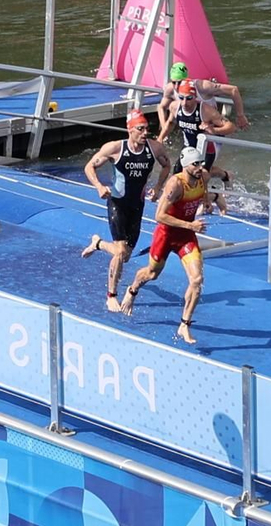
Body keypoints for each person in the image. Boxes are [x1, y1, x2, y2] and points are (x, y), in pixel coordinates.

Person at [119, 146, 232, 343]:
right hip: (166, 235)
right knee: (152, 274)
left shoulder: (203, 176)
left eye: (201, 163)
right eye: (195, 164)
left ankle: (184, 324)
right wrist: (190, 224)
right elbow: (159, 216)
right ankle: (132, 289)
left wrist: (207, 201)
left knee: (197, 280)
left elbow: (203, 190)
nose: (200, 167)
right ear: (186, 165)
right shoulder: (175, 185)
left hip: (186, 237)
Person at [80, 109, 170, 312]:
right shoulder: (114, 148)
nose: (145, 132)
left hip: (137, 206)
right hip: (117, 204)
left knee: (126, 255)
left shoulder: (154, 148)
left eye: (147, 128)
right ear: (129, 129)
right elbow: (89, 167)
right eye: (140, 129)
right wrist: (99, 186)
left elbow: (167, 165)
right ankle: (111, 295)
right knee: (120, 252)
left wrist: (157, 187)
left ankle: (98, 243)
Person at [160, 79, 237, 172]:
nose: (184, 103)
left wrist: (214, 130)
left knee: (202, 174)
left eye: (189, 98)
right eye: (181, 98)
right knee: (177, 172)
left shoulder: (206, 111)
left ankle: (225, 176)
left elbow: (231, 127)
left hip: (208, 147)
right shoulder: (174, 107)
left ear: (195, 96)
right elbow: (170, 123)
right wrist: (160, 139)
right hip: (189, 144)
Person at [158, 61, 250, 130]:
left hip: (212, 125)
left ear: (187, 79)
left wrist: (240, 115)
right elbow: (161, 107)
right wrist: (164, 127)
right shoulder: (170, 88)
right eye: (174, 82)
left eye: (180, 82)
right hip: (191, 126)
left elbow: (233, 90)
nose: (177, 86)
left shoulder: (203, 87)